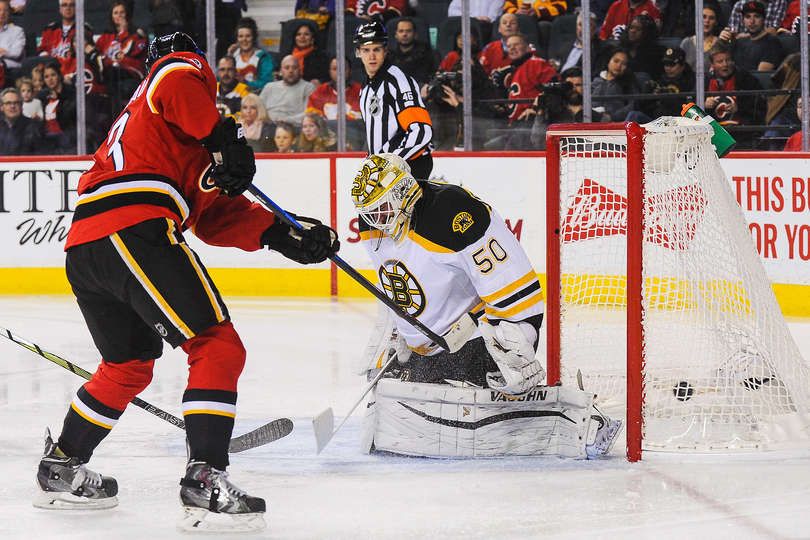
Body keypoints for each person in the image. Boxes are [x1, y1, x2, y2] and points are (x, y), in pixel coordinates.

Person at [33, 32, 339, 532]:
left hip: (88, 246)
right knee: (218, 345)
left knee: (128, 366)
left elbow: (215, 217)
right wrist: (225, 138)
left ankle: (61, 465)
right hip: (133, 228)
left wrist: (284, 234)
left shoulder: (178, 138)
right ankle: (205, 478)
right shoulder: (173, 76)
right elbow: (176, 77)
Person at [351, 152, 622, 459]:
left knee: (474, 410)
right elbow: (397, 278)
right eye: (369, 210)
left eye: (381, 206)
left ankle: (583, 420)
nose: (376, 217)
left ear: (403, 191)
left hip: (471, 340)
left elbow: (511, 281)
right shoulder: (376, 223)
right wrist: (396, 330)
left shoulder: (453, 213)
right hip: (428, 349)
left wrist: (518, 342)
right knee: (395, 416)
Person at [355, 20, 434, 180]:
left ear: (385, 50)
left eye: (376, 49)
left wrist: (390, 163)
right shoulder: (366, 89)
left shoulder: (398, 82)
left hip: (410, 166)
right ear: (358, 52)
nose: (371, 56)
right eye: (366, 50)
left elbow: (420, 131)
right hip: (385, 171)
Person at [530, 66, 606, 148]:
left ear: (586, 87)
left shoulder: (596, 114)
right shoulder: (553, 112)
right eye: (569, 86)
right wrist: (540, 112)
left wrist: (579, 113)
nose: (573, 89)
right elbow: (538, 143)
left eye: (578, 85)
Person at [37, 0, 93, 77]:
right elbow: (41, 51)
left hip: (73, 73)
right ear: (60, 9)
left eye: (71, 5)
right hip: (52, 73)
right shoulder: (50, 29)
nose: (68, 8)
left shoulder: (84, 29)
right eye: (64, 5)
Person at [259, 55, 315, 125]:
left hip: (291, 127)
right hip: (266, 125)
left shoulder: (308, 87)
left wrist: (285, 120)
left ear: (300, 70)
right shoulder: (269, 87)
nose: (290, 71)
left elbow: (309, 113)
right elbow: (257, 108)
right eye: (287, 68)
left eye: (294, 68)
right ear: (280, 71)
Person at [732, 1, 783, 72]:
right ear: (743, 20)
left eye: (757, 16)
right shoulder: (740, 41)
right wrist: (721, 41)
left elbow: (761, 76)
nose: (752, 21)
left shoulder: (772, 43)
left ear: (764, 19)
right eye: (748, 17)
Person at [306, 56, 362, 120]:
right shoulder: (321, 91)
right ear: (330, 72)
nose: (339, 72)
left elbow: (362, 118)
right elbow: (312, 117)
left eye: (343, 68)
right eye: (335, 69)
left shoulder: (360, 91)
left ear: (350, 71)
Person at [226, 18, 274, 93]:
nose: (244, 39)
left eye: (248, 36)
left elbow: (267, 83)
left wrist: (245, 82)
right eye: (241, 36)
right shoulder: (233, 55)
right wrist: (228, 56)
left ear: (254, 37)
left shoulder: (263, 57)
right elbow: (220, 78)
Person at [591, 48, 640, 122]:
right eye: (616, 61)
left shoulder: (628, 83)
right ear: (608, 61)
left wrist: (612, 117)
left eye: (623, 64)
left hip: (614, 123)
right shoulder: (594, 80)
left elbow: (633, 105)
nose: (619, 66)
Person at [386, 17, 436, 87]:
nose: (404, 34)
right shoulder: (388, 56)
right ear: (396, 35)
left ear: (415, 34)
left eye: (408, 31)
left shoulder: (428, 55)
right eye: (401, 31)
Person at [38, 62, 76, 153]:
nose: (50, 79)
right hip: (47, 139)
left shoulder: (70, 94)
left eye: (53, 75)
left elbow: (69, 118)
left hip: (66, 137)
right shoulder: (42, 97)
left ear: (59, 75)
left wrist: (59, 98)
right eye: (46, 77)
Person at [283, 21, 330, 85]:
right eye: (298, 34)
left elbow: (328, 77)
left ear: (312, 39)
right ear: (294, 38)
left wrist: (320, 81)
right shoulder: (287, 55)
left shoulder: (321, 57)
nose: (302, 37)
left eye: (306, 34)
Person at [0, 87, 43, 154]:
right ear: (1, 107)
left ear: (21, 105)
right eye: (8, 103)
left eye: (16, 103)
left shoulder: (35, 127)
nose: (12, 106)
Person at [680, 3, 721, 71]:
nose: (707, 21)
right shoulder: (686, 43)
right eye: (703, 17)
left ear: (716, 22)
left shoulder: (720, 43)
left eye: (711, 18)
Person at [0, 0, 24, 72]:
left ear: (9, 13)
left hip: (10, 69)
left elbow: (17, 53)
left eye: (5, 11)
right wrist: (3, 51)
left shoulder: (17, 31)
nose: (2, 13)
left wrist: (3, 53)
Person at [503, 0, 568, 21]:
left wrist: (539, 12)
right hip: (519, 19)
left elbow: (561, 7)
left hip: (542, 20)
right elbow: (508, 6)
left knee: (544, 26)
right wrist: (515, 12)